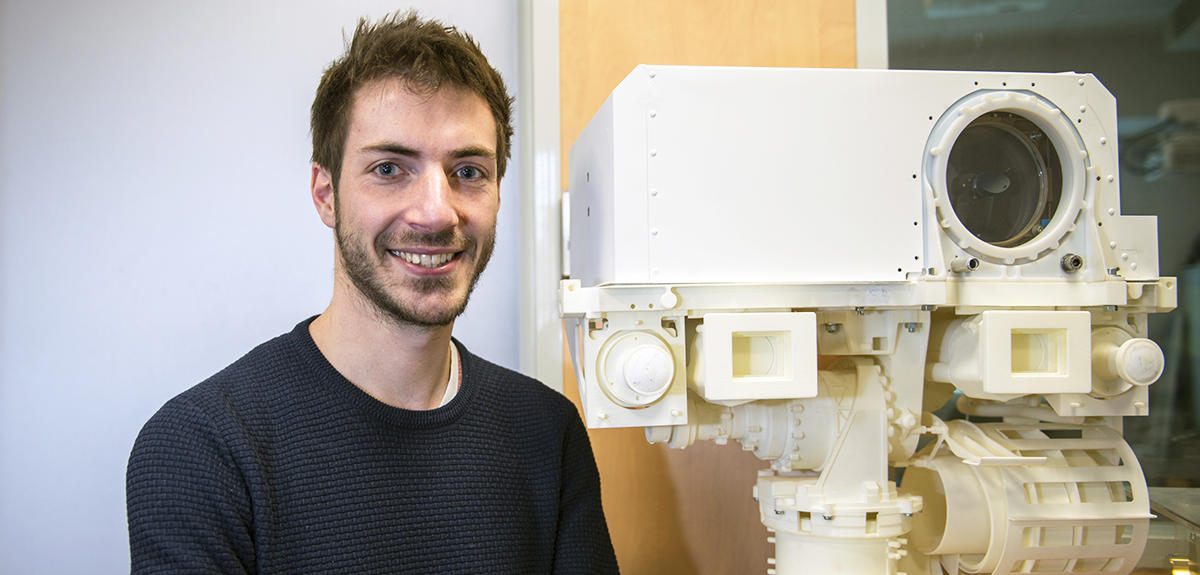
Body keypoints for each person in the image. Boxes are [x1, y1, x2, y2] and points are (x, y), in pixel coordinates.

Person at [126, 11, 618, 574]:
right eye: (389, 168)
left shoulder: (547, 432)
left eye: (469, 171)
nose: (436, 213)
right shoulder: (201, 449)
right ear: (326, 194)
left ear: (499, 193)